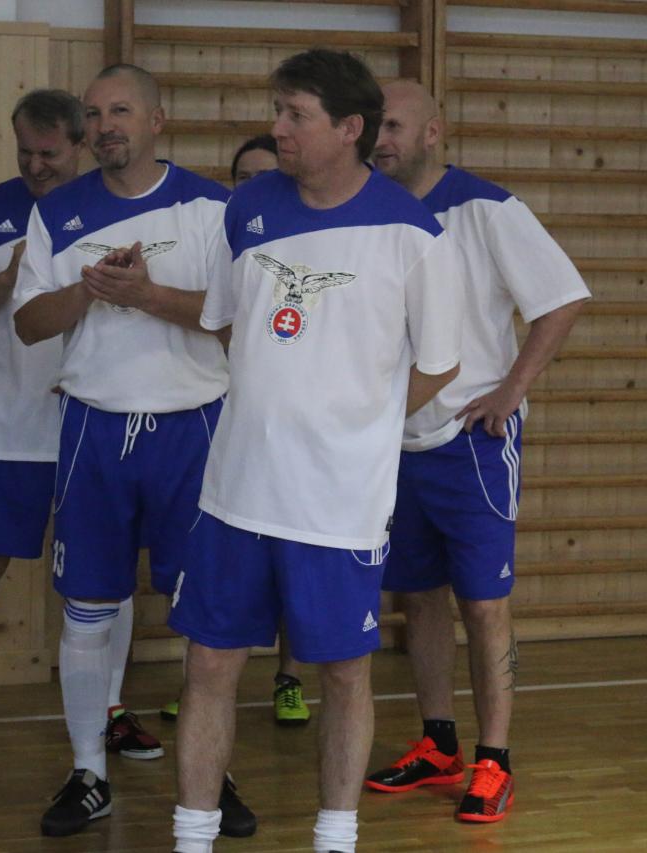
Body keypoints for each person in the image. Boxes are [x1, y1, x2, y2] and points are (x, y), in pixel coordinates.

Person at [167, 50, 465, 853]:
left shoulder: (413, 234)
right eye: (279, 110)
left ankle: (335, 839)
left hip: (338, 504)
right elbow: (227, 322)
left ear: (349, 128)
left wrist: (360, 427)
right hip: (235, 493)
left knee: (342, 673)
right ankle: (191, 839)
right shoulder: (248, 206)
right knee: (209, 666)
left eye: (295, 114)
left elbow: (441, 363)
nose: (278, 128)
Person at [13, 64, 254, 840]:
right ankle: (90, 772)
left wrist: (146, 294)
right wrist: (89, 289)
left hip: (195, 430)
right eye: (93, 114)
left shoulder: (213, 208)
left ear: (157, 120)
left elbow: (237, 322)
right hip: (94, 429)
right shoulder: (60, 211)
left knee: (208, 620)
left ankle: (212, 775)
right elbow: (27, 324)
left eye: (120, 110)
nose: (105, 125)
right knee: (87, 608)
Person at [0, 89, 162, 775]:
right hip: (9, 427)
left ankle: (109, 708)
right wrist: (11, 277)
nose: (35, 165)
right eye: (25, 152)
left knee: (107, 571)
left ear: (80, 144)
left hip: (98, 426)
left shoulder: (117, 207)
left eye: (49, 153)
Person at [365, 80, 590, 823]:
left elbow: (562, 298)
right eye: (374, 127)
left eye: (394, 126)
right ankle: (439, 744)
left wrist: (511, 389)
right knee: (418, 595)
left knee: (484, 603)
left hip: (472, 442)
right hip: (394, 438)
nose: (380, 140)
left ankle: (495, 759)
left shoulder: (488, 208)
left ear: (433, 132)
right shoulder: (369, 209)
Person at [161, 131, 311, 729]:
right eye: (241, 178)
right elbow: (210, 316)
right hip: (230, 426)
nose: (250, 187)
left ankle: (289, 680)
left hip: (296, 435)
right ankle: (205, 683)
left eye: (262, 176)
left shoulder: (309, 242)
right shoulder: (228, 238)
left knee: (292, 568)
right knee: (217, 570)